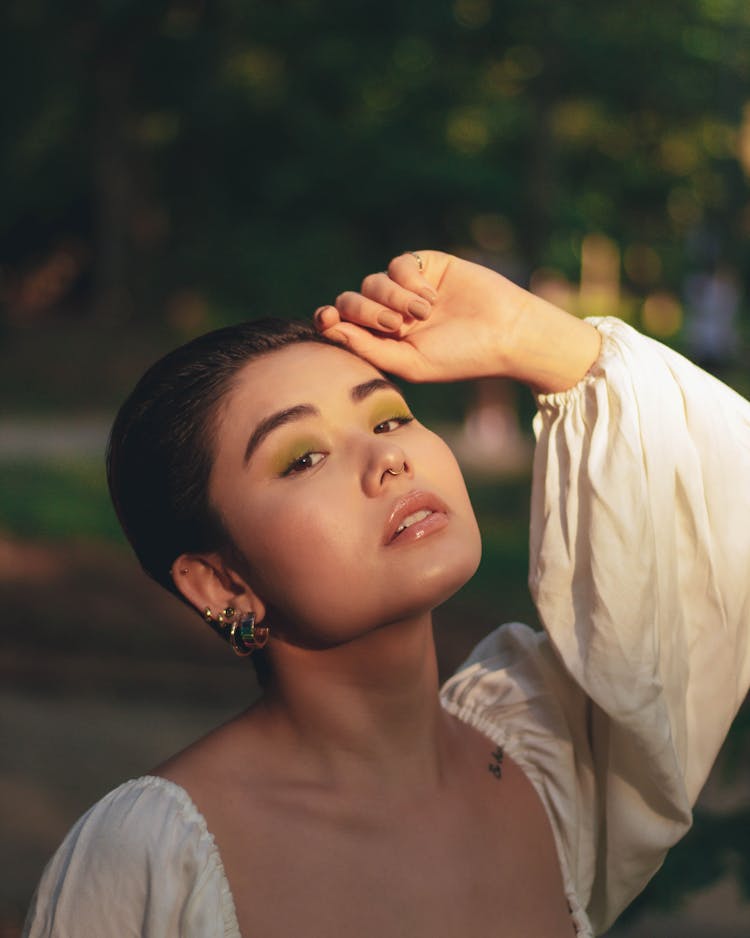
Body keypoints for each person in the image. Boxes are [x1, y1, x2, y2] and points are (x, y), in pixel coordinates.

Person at [23, 251, 750, 937]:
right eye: (303, 457)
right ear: (222, 582)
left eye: (389, 416)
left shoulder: (555, 753)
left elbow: (719, 521)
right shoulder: (148, 859)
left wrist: (525, 337)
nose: (389, 457)